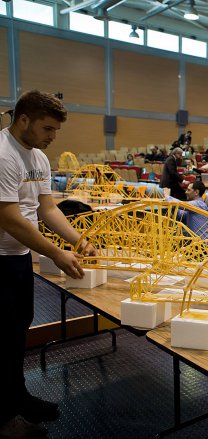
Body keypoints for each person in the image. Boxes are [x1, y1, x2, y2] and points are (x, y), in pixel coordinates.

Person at [0, 90, 98, 438]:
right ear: (23, 119)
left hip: (19, 258)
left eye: (56, 130)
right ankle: (3, 419)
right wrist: (56, 253)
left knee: (17, 331)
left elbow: (48, 208)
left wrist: (76, 240)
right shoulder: (3, 154)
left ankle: (17, 399)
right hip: (0, 260)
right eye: (47, 128)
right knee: (2, 338)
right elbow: (9, 217)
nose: (53, 136)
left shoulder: (38, 158)